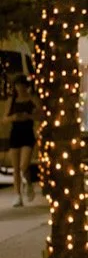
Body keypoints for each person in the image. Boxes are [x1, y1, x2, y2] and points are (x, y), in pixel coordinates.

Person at [3, 75, 37, 207]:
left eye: (22, 85)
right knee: (15, 167)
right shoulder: (12, 101)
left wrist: (28, 116)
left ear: (26, 86)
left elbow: (41, 114)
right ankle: (17, 195)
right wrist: (14, 117)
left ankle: (28, 183)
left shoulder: (32, 99)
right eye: (17, 85)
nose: (19, 88)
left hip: (27, 133)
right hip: (15, 133)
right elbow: (4, 118)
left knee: (24, 165)